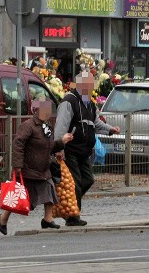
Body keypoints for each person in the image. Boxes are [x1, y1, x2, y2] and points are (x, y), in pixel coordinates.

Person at [0, 98, 73, 235]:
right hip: (28, 169)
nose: (48, 113)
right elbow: (18, 144)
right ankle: (3, 218)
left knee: (49, 191)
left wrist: (61, 143)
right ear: (36, 111)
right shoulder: (28, 125)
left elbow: (49, 146)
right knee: (19, 196)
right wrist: (18, 165)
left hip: (43, 170)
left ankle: (47, 220)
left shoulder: (46, 127)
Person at [54, 72, 120, 226]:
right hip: (70, 150)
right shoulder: (69, 101)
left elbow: (96, 123)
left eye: (92, 85)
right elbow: (60, 127)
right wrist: (59, 148)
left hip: (84, 151)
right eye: (88, 85)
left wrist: (111, 129)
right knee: (75, 183)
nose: (91, 88)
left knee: (88, 180)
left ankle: (69, 205)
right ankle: (73, 216)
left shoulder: (89, 103)